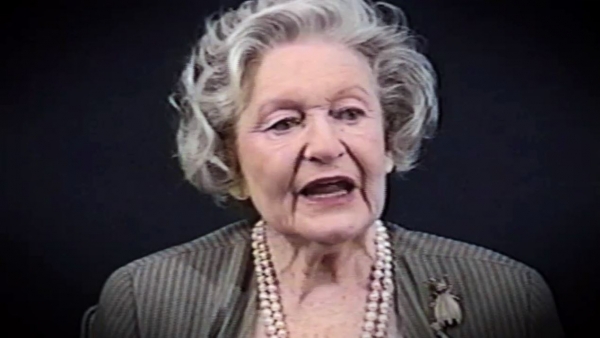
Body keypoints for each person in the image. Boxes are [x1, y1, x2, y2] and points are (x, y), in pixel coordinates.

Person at [90, 0, 564, 337]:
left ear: (390, 139)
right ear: (230, 159)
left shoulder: (507, 298)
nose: (324, 145)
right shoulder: (144, 302)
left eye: (349, 113)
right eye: (284, 122)